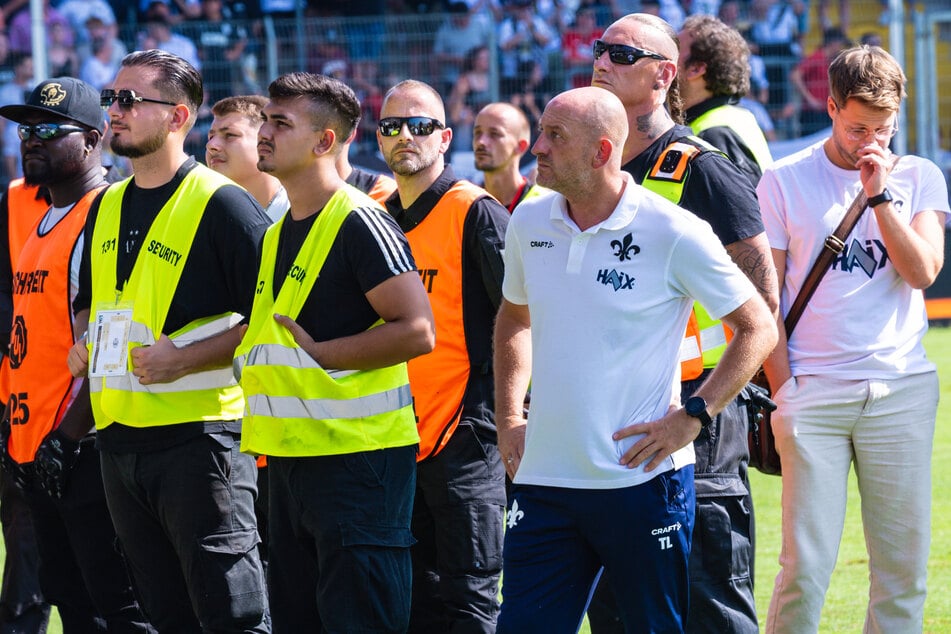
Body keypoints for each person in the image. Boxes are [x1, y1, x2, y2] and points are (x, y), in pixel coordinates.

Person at [494, 85, 776, 632]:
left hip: (643, 485)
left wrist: (693, 417)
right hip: (545, 482)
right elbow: (513, 318)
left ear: (601, 152)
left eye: (555, 136)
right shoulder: (529, 223)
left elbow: (758, 327)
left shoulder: (674, 230)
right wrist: (509, 416)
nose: (538, 149)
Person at [65, 49, 270, 633]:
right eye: (112, 98)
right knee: (164, 616)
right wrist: (85, 346)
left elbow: (273, 320)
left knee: (232, 616)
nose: (115, 111)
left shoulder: (224, 205)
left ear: (179, 117)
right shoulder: (104, 204)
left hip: (200, 443)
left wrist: (185, 360)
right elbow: (99, 305)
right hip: (120, 442)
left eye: (130, 100)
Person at [589, 13, 780, 634]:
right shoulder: (591, 174)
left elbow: (761, 307)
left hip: (696, 435)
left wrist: (696, 413)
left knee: (710, 614)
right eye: (599, 48)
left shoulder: (702, 168)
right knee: (620, 615)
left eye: (620, 52)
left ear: (663, 74)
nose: (601, 60)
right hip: (610, 435)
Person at [234, 71, 434, 634]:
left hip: (357, 466)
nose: (263, 134)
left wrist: (326, 354)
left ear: (325, 141)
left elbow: (418, 330)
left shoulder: (362, 220)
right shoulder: (278, 230)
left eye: (279, 123)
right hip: (293, 463)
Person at [759, 45, 948, 634]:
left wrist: (880, 196)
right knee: (805, 569)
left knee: (903, 572)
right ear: (831, 106)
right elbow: (764, 302)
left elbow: (922, 273)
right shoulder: (782, 181)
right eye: (857, 126)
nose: (871, 140)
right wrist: (786, 390)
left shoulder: (918, 175)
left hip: (900, 390)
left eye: (884, 129)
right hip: (812, 393)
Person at [0, 76, 151, 633]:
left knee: (118, 605)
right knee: (67, 595)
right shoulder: (38, 218)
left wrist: (69, 436)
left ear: (91, 141)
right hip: (34, 442)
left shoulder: (107, 213)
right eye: (24, 129)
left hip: (83, 444)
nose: (29, 139)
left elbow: (111, 338)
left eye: (46, 129)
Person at [378, 79, 509, 633]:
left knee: (469, 597)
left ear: (445, 137)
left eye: (420, 125)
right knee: (405, 596)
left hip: (466, 440)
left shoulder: (474, 212)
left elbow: (523, 320)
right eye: (391, 126)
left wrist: (513, 417)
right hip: (389, 437)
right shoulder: (373, 213)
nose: (405, 135)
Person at [678, 14, 773, 186]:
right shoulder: (731, 119)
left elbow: (744, 210)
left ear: (696, 69)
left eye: (674, 50)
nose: (663, 59)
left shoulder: (715, 134)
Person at [207, 94, 288, 222]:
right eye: (211, 137)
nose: (211, 145)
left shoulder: (301, 213)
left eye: (230, 135)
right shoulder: (202, 214)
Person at [472, 102, 541, 212]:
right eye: (477, 132)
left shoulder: (542, 205)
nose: (481, 142)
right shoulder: (466, 204)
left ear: (520, 146)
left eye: (494, 134)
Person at [789, 26, 849, 137]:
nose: (841, 48)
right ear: (833, 43)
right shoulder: (817, 57)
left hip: (825, 111)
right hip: (813, 114)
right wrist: (810, 99)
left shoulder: (831, 60)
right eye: (840, 44)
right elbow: (795, 75)